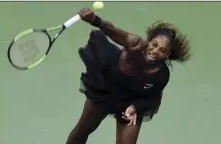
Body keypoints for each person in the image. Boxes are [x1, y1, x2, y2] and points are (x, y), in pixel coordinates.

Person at [66, 8, 191, 144]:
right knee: (81, 132)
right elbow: (112, 31)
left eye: (162, 50)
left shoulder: (161, 75)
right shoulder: (135, 44)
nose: (155, 51)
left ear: (167, 55)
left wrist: (135, 107)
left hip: (130, 102)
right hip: (106, 89)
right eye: (154, 45)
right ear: (149, 41)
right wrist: (94, 20)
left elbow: (151, 98)